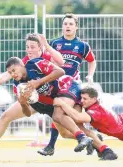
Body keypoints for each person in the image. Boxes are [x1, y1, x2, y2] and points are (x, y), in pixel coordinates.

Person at [0, 56, 93, 160]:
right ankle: (92, 140)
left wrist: (39, 82)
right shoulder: (18, 86)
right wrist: (23, 102)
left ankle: (89, 140)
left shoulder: (35, 63)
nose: (12, 74)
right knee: (65, 133)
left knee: (64, 118)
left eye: (14, 71)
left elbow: (60, 71)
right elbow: (27, 113)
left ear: (22, 64)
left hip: (66, 89)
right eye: (10, 73)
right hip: (46, 104)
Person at [38, 13, 98, 156]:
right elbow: (48, 60)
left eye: (71, 24)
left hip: (73, 84)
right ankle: (92, 140)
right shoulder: (54, 43)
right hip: (58, 84)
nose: (68, 26)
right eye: (65, 24)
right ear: (62, 26)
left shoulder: (82, 46)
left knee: (59, 112)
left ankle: (51, 146)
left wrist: (90, 75)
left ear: (76, 27)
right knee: (66, 125)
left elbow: (92, 61)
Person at [54, 86, 123, 151]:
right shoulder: (97, 104)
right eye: (81, 98)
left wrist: (62, 104)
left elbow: (78, 117)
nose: (82, 101)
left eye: (85, 99)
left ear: (94, 99)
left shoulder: (94, 111)